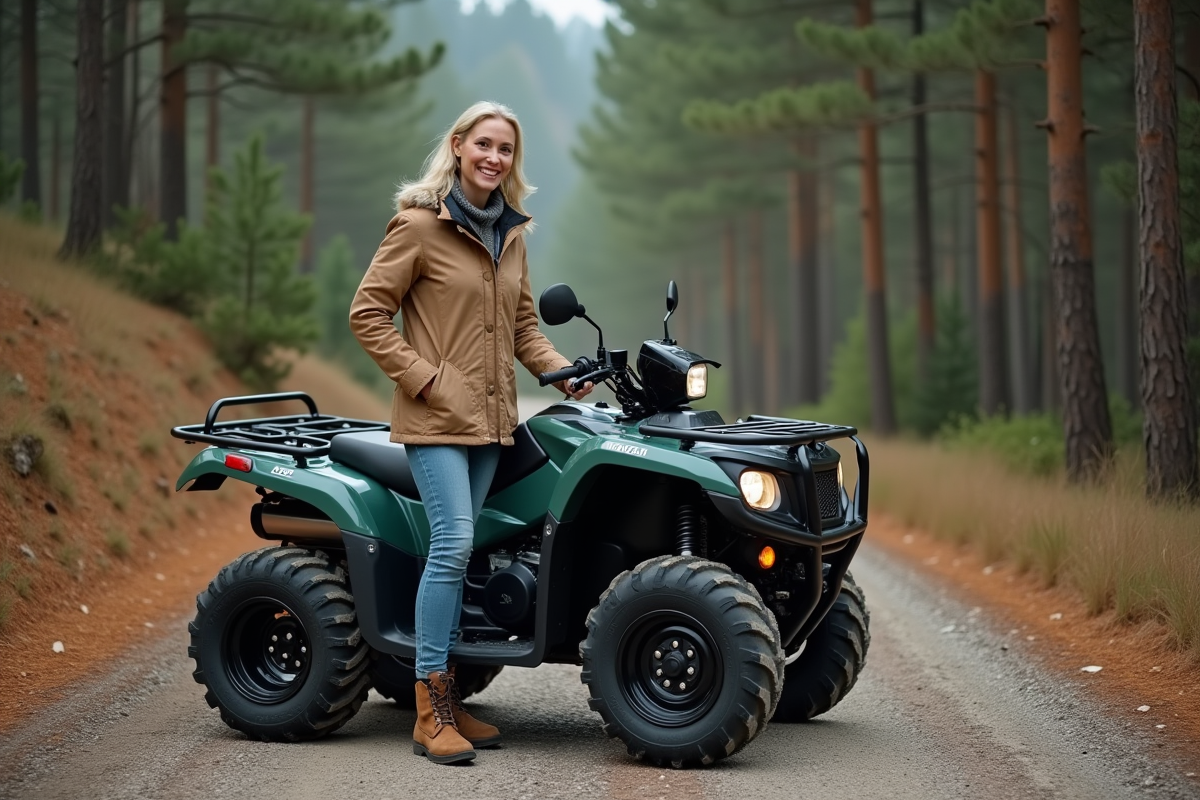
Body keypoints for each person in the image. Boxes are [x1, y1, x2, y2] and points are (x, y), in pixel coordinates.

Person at [349, 101, 592, 765]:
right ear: (458, 146)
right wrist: (425, 379)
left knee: (469, 550)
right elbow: (367, 314)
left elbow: (522, 331)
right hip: (435, 418)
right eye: (483, 144)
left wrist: (560, 372)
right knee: (453, 542)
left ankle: (449, 701)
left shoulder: (511, 234)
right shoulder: (419, 225)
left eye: (505, 150)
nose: (493, 157)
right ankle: (430, 713)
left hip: (493, 426)